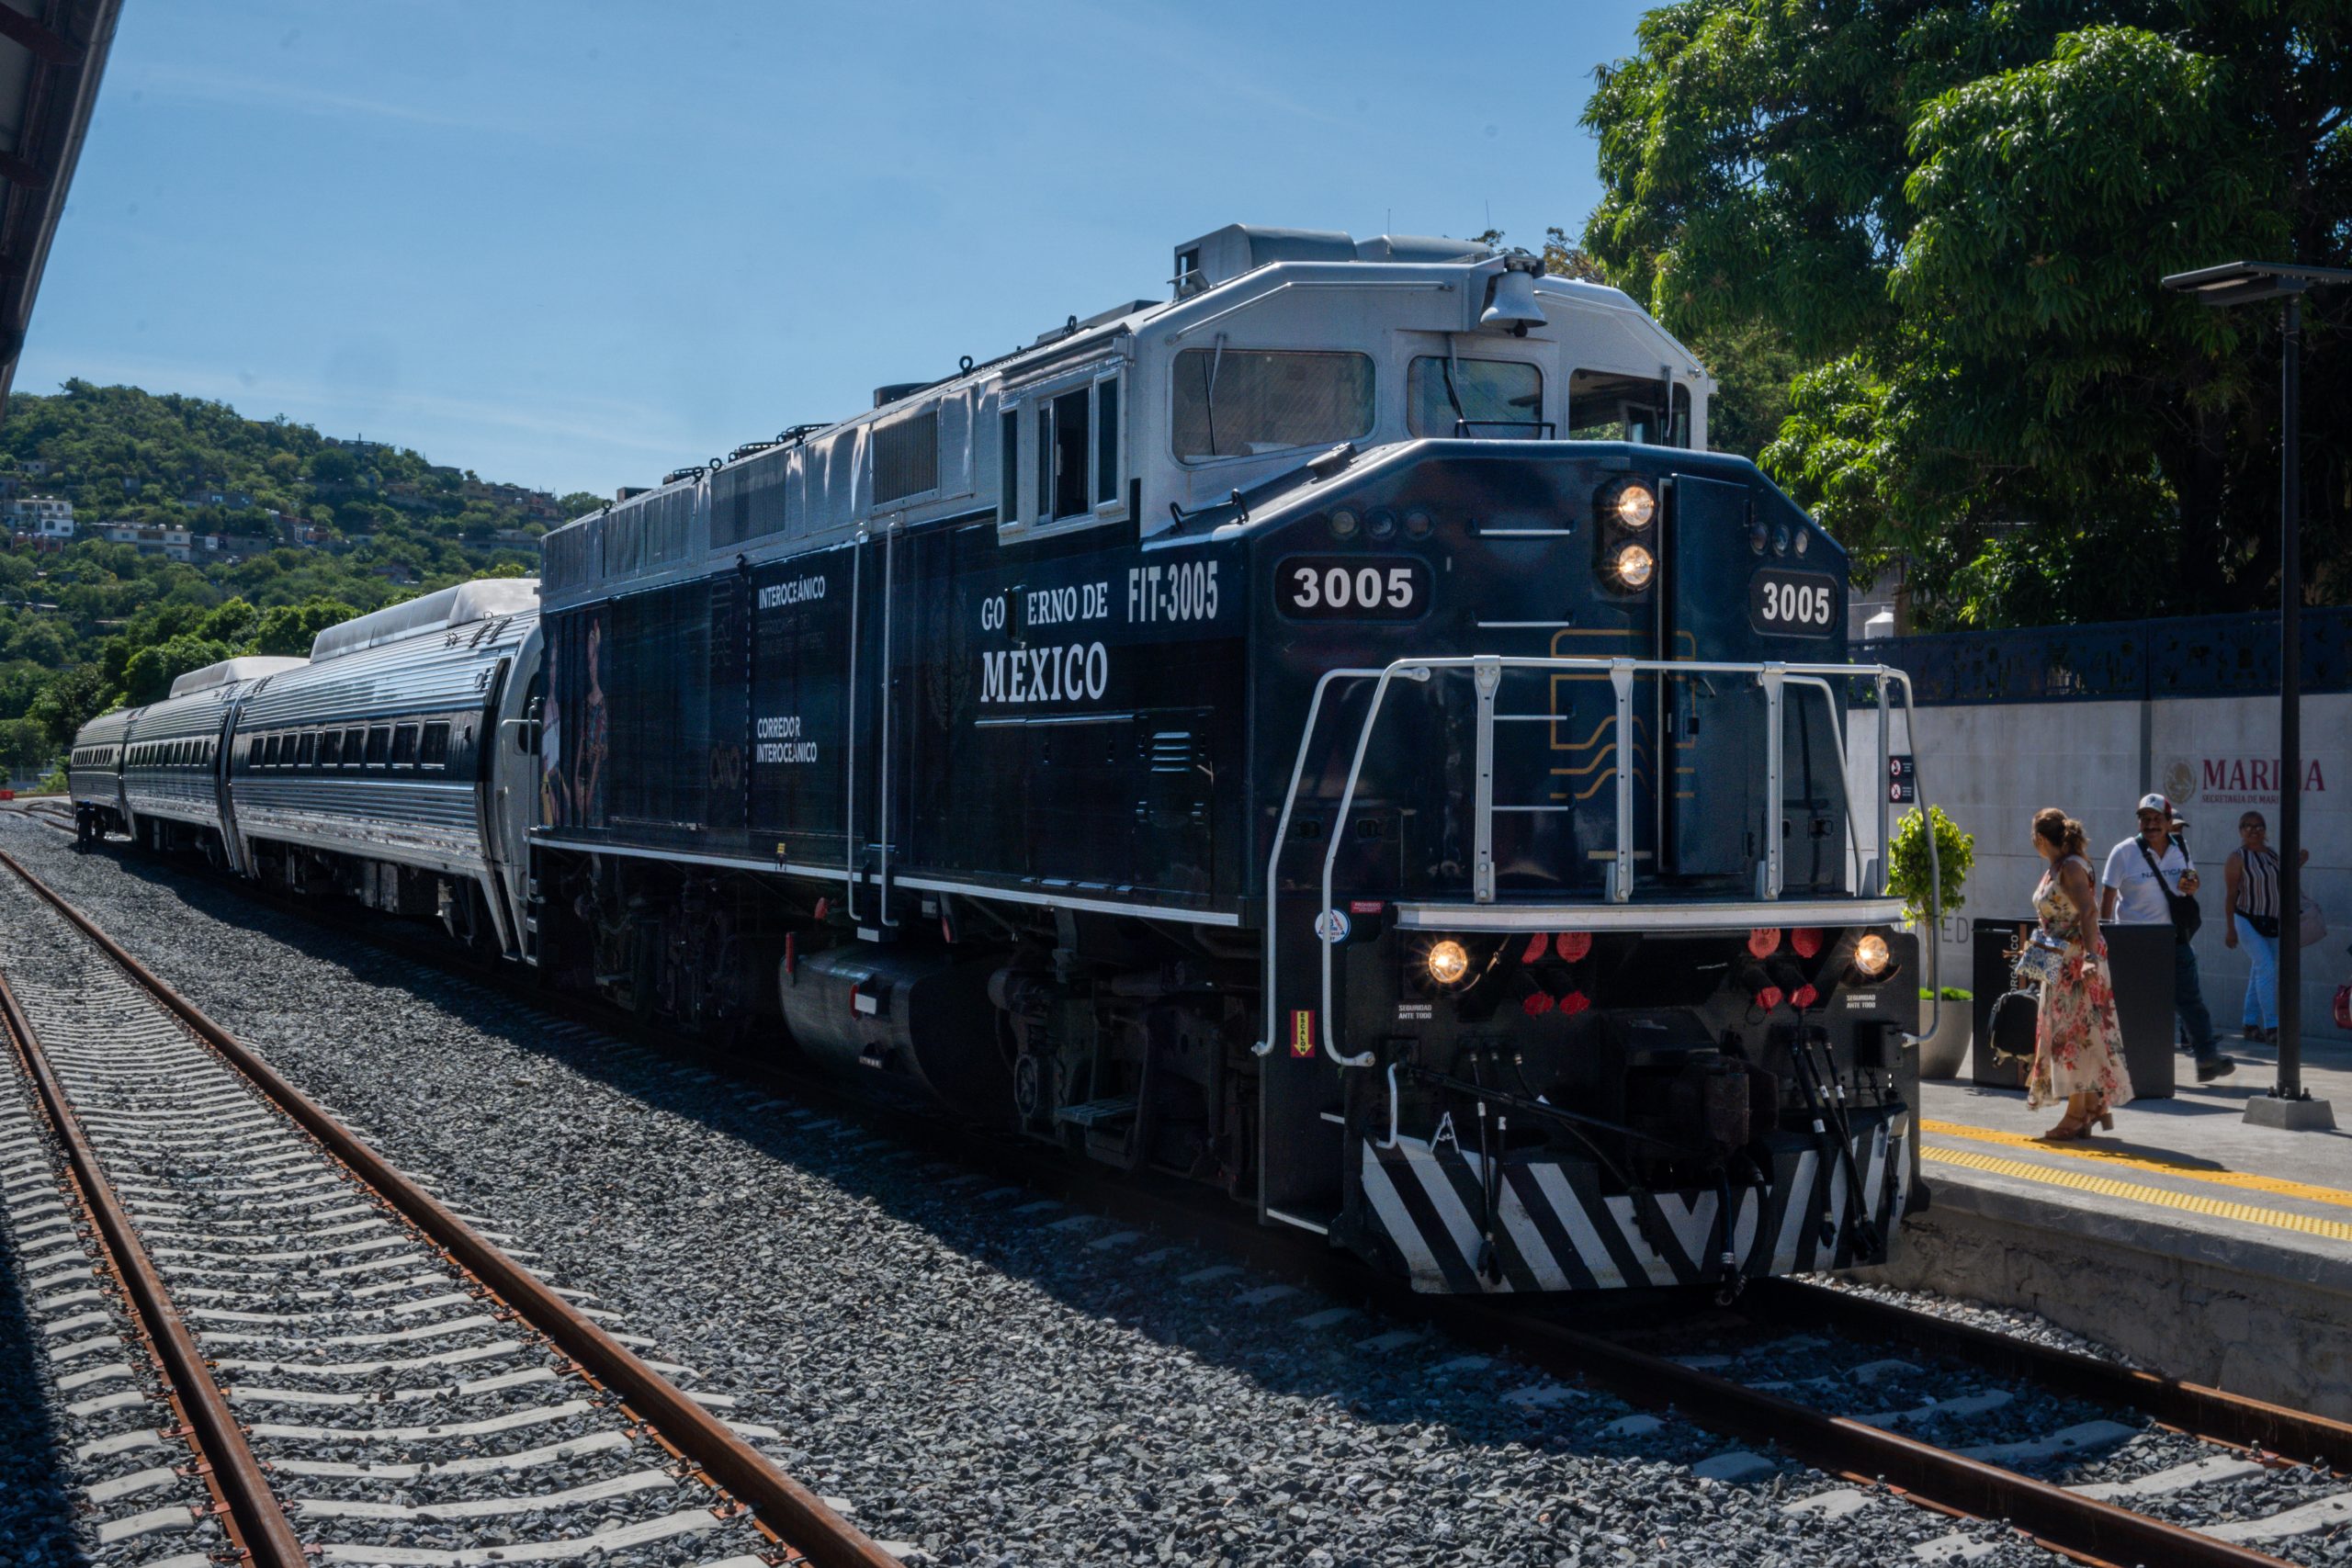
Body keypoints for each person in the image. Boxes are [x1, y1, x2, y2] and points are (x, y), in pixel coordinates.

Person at [2102, 793, 2233, 1082]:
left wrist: (2192, 885)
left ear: (2167, 821)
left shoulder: (2180, 847)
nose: (2150, 825)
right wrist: (2106, 936)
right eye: (2145, 819)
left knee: (2191, 1001)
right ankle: (2124, 1067)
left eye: (2156, 819)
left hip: (2173, 937)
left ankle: (2207, 1058)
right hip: (2134, 939)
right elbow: (2108, 895)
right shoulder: (2123, 851)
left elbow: (2191, 880)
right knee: (2134, 1005)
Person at [2030, 808, 2134, 1137]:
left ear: (2041, 838)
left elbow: (2089, 911)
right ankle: (2090, 1106)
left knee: (2073, 1036)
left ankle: (2077, 1113)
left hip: (2077, 960)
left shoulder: (2071, 867)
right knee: (2082, 1033)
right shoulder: (2061, 865)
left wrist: (2089, 957)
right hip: (2062, 960)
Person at [2222, 810, 2308, 1045]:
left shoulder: (2272, 855)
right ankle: (2272, 1026)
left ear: (2265, 830)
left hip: (2271, 921)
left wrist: (2297, 863)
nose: (2254, 830)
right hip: (2247, 919)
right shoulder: (2237, 858)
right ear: (2241, 830)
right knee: (2267, 968)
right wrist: (2230, 929)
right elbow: (2230, 895)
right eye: (2248, 826)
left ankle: (2249, 1023)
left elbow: (2281, 881)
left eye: (2259, 826)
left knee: (2260, 971)